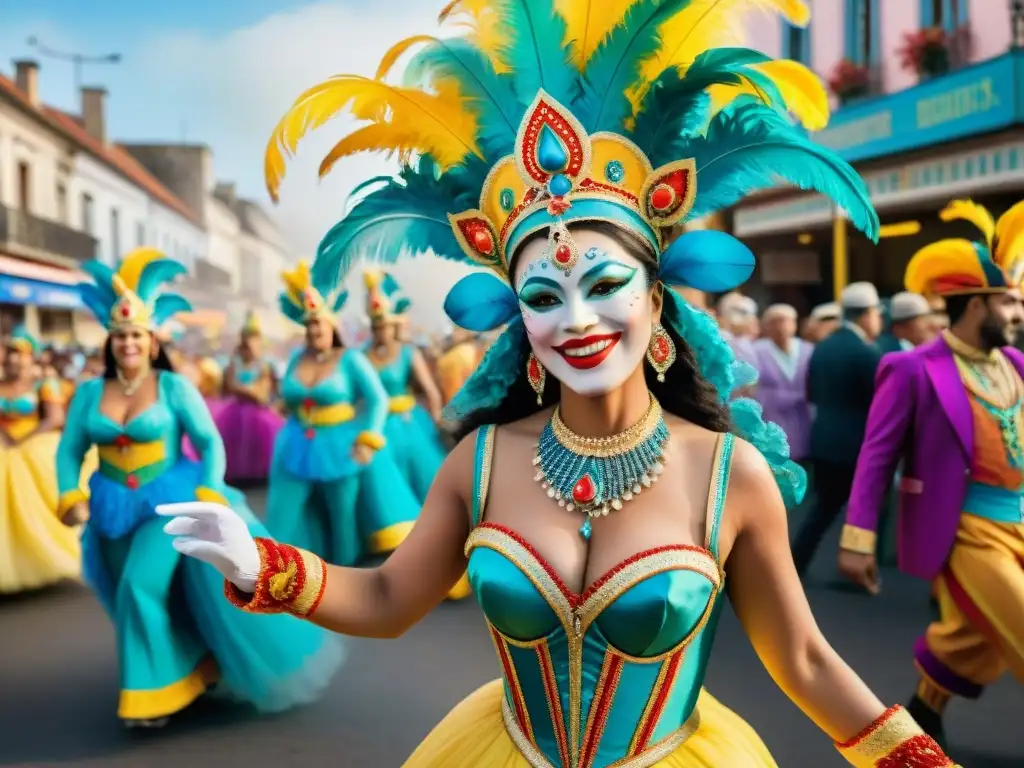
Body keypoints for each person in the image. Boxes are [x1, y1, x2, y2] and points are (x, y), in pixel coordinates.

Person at [158, 1, 959, 766]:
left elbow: (806, 661)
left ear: (657, 299)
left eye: (604, 285)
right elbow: (389, 598)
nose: (576, 318)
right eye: (544, 296)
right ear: (520, 323)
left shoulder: (727, 473)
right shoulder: (482, 461)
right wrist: (261, 566)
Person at [56, 248, 341, 728]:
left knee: (138, 587)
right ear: (111, 341)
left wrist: (209, 488)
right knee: (145, 596)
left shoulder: (173, 387)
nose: (128, 343)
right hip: (108, 507)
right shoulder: (88, 393)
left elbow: (209, 442)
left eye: (137, 336)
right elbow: (68, 451)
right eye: (120, 335)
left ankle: (150, 695)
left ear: (151, 342)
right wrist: (68, 493)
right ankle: (190, 663)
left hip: (167, 501)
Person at [840, 199, 1024, 748]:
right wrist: (858, 539)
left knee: (972, 636)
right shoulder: (912, 368)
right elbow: (876, 457)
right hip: (966, 529)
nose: (1018, 313)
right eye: (1009, 303)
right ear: (974, 305)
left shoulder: (1015, 365)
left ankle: (925, 707)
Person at [263, 261, 421, 566]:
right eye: (308, 325)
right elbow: (288, 396)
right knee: (285, 513)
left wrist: (369, 438)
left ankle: (346, 582)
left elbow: (377, 400)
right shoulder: (296, 357)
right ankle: (278, 572)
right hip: (296, 444)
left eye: (318, 324)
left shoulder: (350, 360)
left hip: (341, 447)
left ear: (331, 325)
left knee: (342, 518)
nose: (312, 330)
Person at [793, 282, 883, 578]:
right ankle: (856, 571)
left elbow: (811, 393)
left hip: (825, 439)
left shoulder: (824, 348)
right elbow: (880, 404)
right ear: (867, 315)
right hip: (856, 445)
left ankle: (797, 562)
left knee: (822, 510)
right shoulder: (867, 353)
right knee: (860, 513)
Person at [0, 326, 90, 593]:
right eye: (11, 354)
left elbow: (55, 418)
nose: (14, 360)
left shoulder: (44, 385)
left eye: (21, 354)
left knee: (41, 506)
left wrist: (24, 439)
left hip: (34, 446)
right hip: (4, 447)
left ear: (32, 357)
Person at [362, 270, 447, 504]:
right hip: (375, 424)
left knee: (420, 475)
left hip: (408, 422)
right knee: (385, 481)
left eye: (385, 326)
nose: (381, 331)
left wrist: (436, 414)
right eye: (376, 326)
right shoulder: (361, 356)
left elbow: (430, 389)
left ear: (393, 325)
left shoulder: (408, 352)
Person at [214, 310, 283, 483]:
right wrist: (247, 390)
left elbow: (262, 394)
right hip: (236, 412)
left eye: (254, 340)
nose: (250, 346)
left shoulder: (265, 364)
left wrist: (245, 390)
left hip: (258, 412)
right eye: (247, 342)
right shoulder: (233, 363)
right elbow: (230, 386)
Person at [752, 304, 813, 463]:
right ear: (766, 326)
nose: (782, 326)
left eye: (787, 321)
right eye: (776, 321)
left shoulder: (808, 350)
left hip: (803, 421)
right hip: (773, 421)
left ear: (795, 324)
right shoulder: (757, 350)